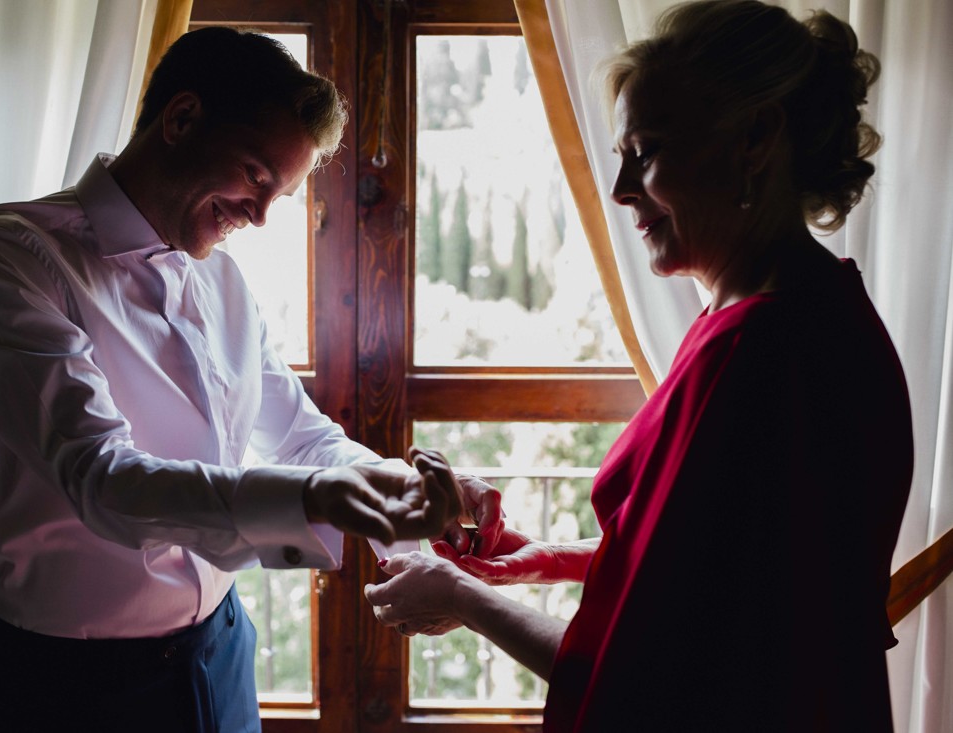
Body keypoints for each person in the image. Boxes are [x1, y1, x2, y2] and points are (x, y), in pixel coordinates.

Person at [0, 27, 486, 733]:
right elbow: (104, 477)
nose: (260, 214)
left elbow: (300, 434)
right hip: (70, 689)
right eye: (255, 176)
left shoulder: (219, 278)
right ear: (181, 119)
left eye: (278, 193)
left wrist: (411, 509)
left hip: (222, 650)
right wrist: (319, 497)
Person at [365, 2, 913, 731]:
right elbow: (716, 576)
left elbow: (643, 675)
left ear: (755, 139)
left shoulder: (757, 353)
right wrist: (540, 559)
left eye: (645, 150)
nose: (621, 189)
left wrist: (462, 596)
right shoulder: (806, 306)